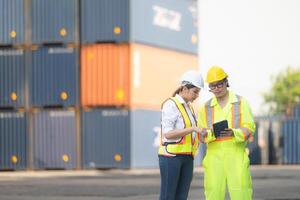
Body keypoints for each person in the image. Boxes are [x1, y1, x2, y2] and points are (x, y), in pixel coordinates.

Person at [198, 66, 256, 200]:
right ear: (209, 87)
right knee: (213, 195)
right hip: (214, 158)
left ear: (226, 82)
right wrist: (210, 133)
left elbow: (249, 127)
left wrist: (234, 133)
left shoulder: (241, 102)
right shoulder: (205, 108)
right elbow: (201, 135)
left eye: (219, 84)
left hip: (236, 155)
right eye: (213, 86)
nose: (217, 88)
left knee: (241, 194)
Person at [158, 70, 206, 200]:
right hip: (171, 157)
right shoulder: (170, 104)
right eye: (195, 92)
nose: (197, 96)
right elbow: (168, 134)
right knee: (168, 196)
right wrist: (192, 129)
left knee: (181, 197)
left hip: (187, 157)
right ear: (184, 88)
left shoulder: (189, 107)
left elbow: (192, 134)